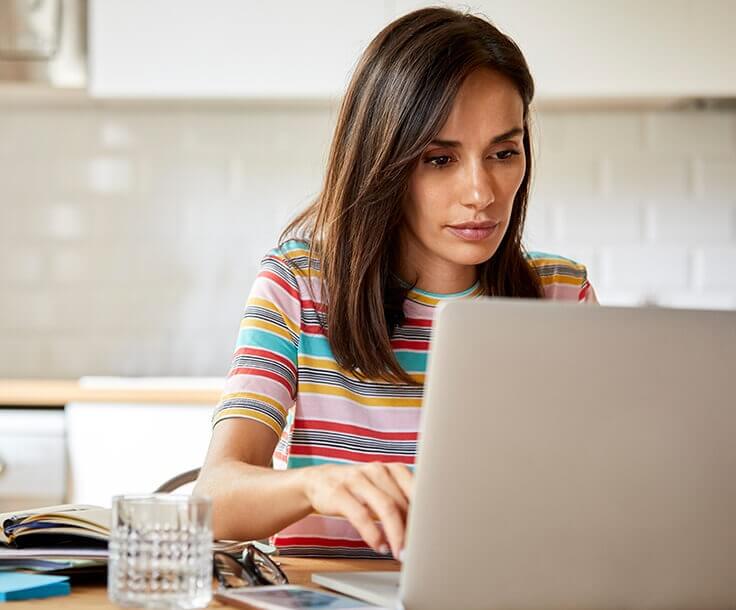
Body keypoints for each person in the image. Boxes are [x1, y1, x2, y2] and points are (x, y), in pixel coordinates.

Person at [193, 6, 598, 561]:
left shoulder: (560, 292)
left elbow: (601, 493)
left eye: (504, 153)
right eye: (439, 159)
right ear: (384, 161)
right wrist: (315, 485)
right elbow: (213, 496)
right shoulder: (301, 283)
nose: (481, 191)